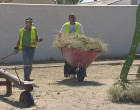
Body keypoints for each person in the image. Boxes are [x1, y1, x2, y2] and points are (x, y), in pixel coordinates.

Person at [59, 13, 86, 79]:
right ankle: (68, 73)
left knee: (76, 59)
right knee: (68, 59)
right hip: (67, 45)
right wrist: (60, 42)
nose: (73, 19)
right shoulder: (65, 25)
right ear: (69, 19)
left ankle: (75, 73)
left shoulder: (78, 25)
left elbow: (82, 35)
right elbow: (60, 34)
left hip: (77, 44)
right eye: (71, 17)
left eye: (74, 17)